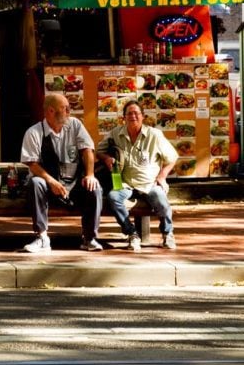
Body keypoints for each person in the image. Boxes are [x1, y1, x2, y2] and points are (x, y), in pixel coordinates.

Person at [20, 92, 103, 253]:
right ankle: (42, 237)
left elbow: (87, 150)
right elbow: (32, 164)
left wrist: (90, 175)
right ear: (51, 111)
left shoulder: (75, 125)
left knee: (95, 187)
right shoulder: (34, 133)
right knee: (35, 183)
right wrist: (51, 181)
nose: (69, 111)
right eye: (65, 108)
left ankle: (89, 238)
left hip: (73, 183)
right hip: (49, 186)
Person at [96, 100, 178, 251]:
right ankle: (132, 233)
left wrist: (162, 176)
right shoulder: (116, 133)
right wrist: (106, 158)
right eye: (129, 114)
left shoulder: (155, 135)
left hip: (149, 184)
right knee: (113, 198)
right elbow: (99, 151)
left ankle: (167, 233)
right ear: (124, 117)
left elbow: (172, 158)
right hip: (126, 183)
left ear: (143, 116)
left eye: (136, 113)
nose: (133, 116)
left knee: (162, 201)